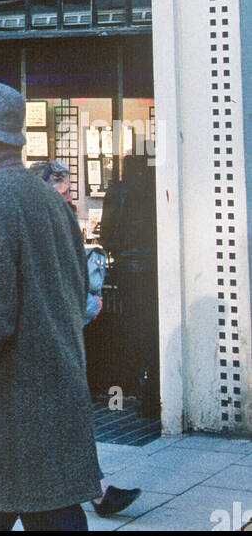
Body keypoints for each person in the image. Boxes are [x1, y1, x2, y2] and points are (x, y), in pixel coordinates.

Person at [0, 82, 101, 531]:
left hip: (6, 402)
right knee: (27, 509)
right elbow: (76, 292)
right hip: (51, 393)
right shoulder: (49, 199)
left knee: (18, 509)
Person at [31, 158, 142, 520]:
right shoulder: (50, 225)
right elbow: (58, 283)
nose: (70, 199)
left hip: (49, 341)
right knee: (61, 421)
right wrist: (86, 304)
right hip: (51, 343)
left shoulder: (39, 223)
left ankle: (96, 489)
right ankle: (96, 491)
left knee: (60, 422)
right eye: (63, 192)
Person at [99, 157, 160, 418]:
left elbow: (107, 234)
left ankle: (134, 391)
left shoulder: (116, 191)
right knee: (153, 330)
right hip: (154, 268)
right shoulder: (154, 189)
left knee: (132, 329)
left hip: (126, 268)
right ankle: (154, 393)